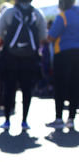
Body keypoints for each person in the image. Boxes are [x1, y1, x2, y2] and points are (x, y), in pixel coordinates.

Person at [0, 0, 46, 130]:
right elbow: (42, 35)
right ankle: (24, 121)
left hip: (10, 58)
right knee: (27, 90)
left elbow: (0, 32)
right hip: (30, 59)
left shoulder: (9, 12)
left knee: (8, 88)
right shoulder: (37, 13)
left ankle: (7, 120)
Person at [45, 0, 79, 129]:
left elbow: (51, 37)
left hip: (63, 54)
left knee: (60, 86)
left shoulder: (63, 16)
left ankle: (59, 118)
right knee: (75, 86)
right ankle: (71, 119)